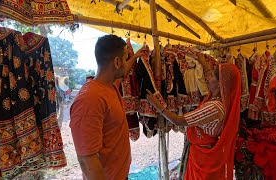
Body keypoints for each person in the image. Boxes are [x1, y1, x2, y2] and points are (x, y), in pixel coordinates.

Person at [146, 53, 241, 180]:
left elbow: (178, 121)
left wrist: (157, 104)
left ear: (220, 84)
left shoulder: (214, 108)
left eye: (213, 76)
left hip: (204, 160)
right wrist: (201, 60)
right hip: (202, 155)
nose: (208, 78)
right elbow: (208, 74)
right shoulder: (217, 98)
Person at [69, 35, 144, 180]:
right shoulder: (90, 99)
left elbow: (122, 73)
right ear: (117, 62)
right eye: (125, 58)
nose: (126, 63)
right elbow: (87, 159)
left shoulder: (109, 86)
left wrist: (134, 57)